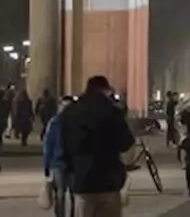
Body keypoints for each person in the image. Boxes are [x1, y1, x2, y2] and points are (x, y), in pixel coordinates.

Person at [61, 75, 135, 217]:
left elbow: (64, 145)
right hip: (108, 179)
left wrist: (70, 170)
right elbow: (126, 143)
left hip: (82, 179)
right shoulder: (113, 112)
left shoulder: (70, 112)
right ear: (104, 90)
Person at [42, 96, 73, 217]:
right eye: (64, 106)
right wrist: (47, 164)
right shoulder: (54, 123)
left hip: (71, 162)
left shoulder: (75, 122)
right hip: (58, 162)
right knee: (60, 193)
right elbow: (48, 144)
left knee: (72, 193)